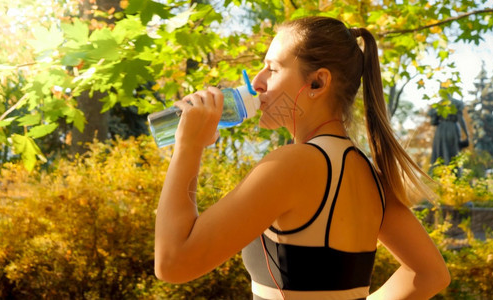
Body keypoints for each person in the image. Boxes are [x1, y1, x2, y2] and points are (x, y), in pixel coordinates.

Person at [154, 16, 450, 300]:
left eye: (272, 68)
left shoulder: (292, 164)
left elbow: (173, 263)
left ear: (317, 83)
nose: (256, 83)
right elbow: (431, 275)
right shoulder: (371, 176)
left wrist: (188, 147)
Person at [429, 95, 469, 166]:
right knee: (454, 153)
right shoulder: (457, 103)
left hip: (440, 130)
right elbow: (460, 119)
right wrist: (467, 134)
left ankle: (440, 172)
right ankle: (454, 173)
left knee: (440, 153)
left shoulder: (439, 105)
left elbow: (433, 122)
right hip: (452, 128)